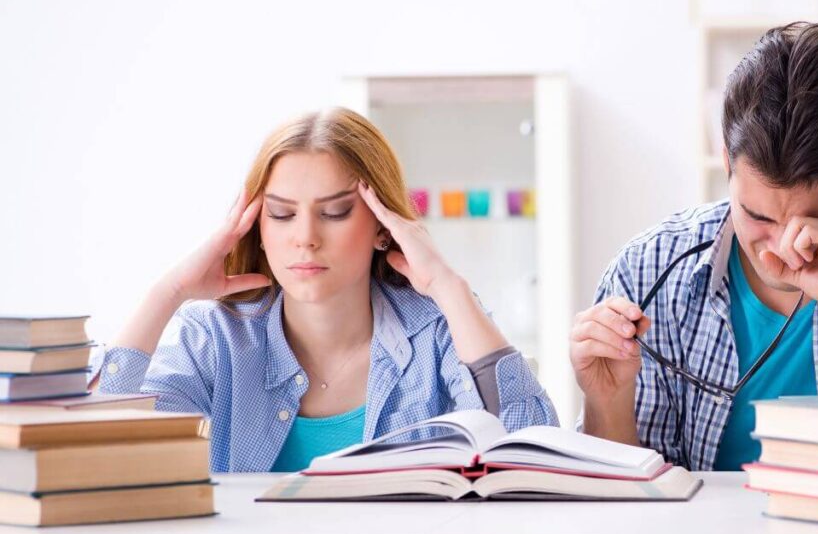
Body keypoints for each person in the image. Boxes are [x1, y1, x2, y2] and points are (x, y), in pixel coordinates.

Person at [570, 22, 818, 470]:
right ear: (727, 161)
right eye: (758, 217)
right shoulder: (646, 271)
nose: (781, 248)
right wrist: (607, 400)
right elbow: (624, 503)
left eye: (816, 222)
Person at [98, 107, 557, 472]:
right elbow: (98, 451)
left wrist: (449, 286)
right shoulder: (216, 339)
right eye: (282, 214)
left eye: (335, 213)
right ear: (257, 228)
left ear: (383, 226)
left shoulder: (438, 330)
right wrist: (169, 291)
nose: (305, 237)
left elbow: (533, 458)